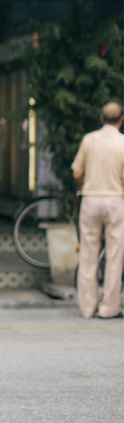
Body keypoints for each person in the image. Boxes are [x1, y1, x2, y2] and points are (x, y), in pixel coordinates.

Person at [72, 100, 124, 320]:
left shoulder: (89, 140)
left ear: (101, 118)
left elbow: (76, 172)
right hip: (115, 201)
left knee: (88, 253)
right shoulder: (123, 143)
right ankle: (108, 308)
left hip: (91, 200)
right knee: (114, 256)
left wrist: (86, 184)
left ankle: (87, 307)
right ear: (121, 121)